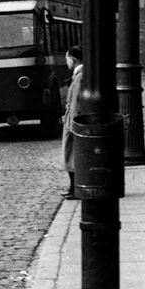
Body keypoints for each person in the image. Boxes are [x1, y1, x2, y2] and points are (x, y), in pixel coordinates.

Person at [61, 46, 86, 200]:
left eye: (67, 59)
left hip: (72, 122)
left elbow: (76, 103)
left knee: (70, 155)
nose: (67, 63)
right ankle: (72, 187)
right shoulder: (78, 76)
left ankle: (75, 187)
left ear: (74, 59)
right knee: (69, 155)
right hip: (71, 119)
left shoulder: (79, 77)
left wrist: (72, 126)